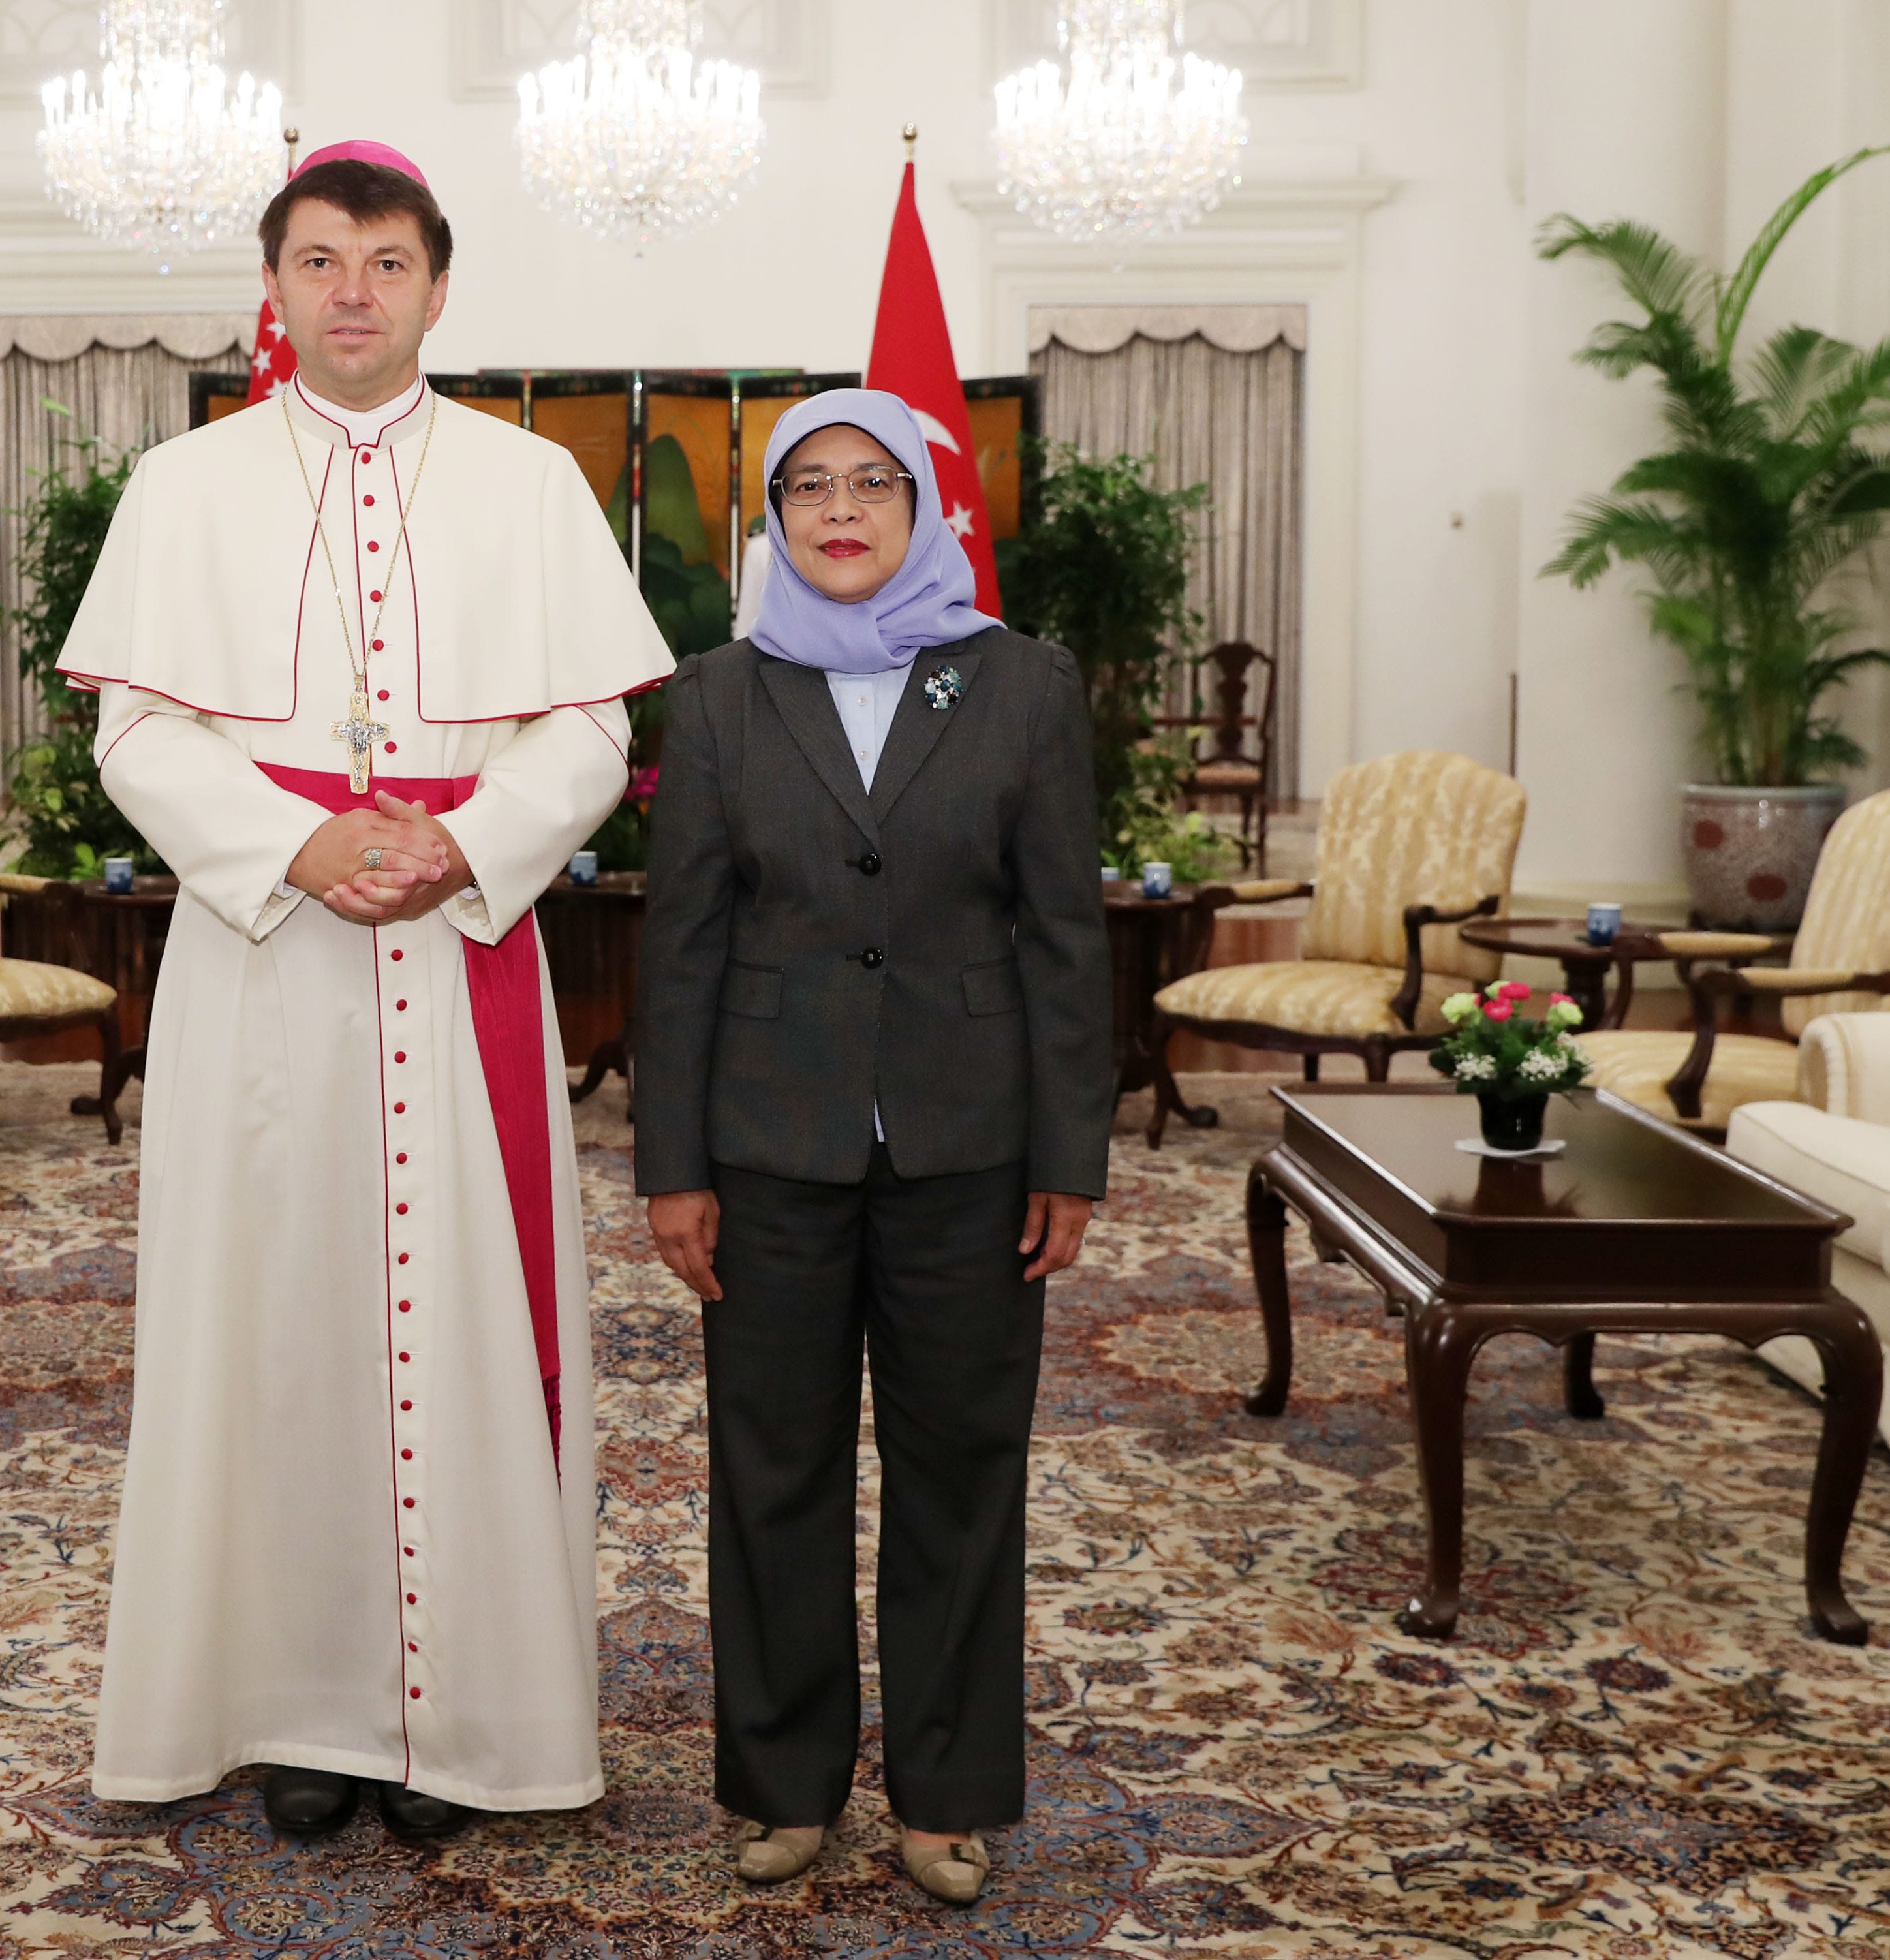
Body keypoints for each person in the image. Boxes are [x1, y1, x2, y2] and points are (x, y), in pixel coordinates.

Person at [57, 143, 673, 1839]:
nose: (351, 291)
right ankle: (306, 1713)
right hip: (267, 971)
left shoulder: (530, 484)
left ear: (434, 286)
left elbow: (591, 728)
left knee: (477, 1327)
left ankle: (467, 1721)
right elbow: (137, 730)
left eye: (384, 262)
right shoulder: (181, 487)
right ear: (275, 286)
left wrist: (467, 843)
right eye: (319, 261)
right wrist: (292, 848)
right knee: (275, 1328)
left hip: (461, 946)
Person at [634, 390, 1113, 1904]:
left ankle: (946, 1792)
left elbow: (1063, 936)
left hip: (971, 1147)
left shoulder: (1022, 683)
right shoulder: (717, 693)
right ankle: (782, 1784)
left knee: (960, 1469)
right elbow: (683, 948)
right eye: (810, 488)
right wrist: (671, 1164)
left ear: (924, 508)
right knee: (772, 1467)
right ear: (772, 520)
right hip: (767, 1144)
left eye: (873, 485)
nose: (842, 512)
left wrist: (1071, 1152)